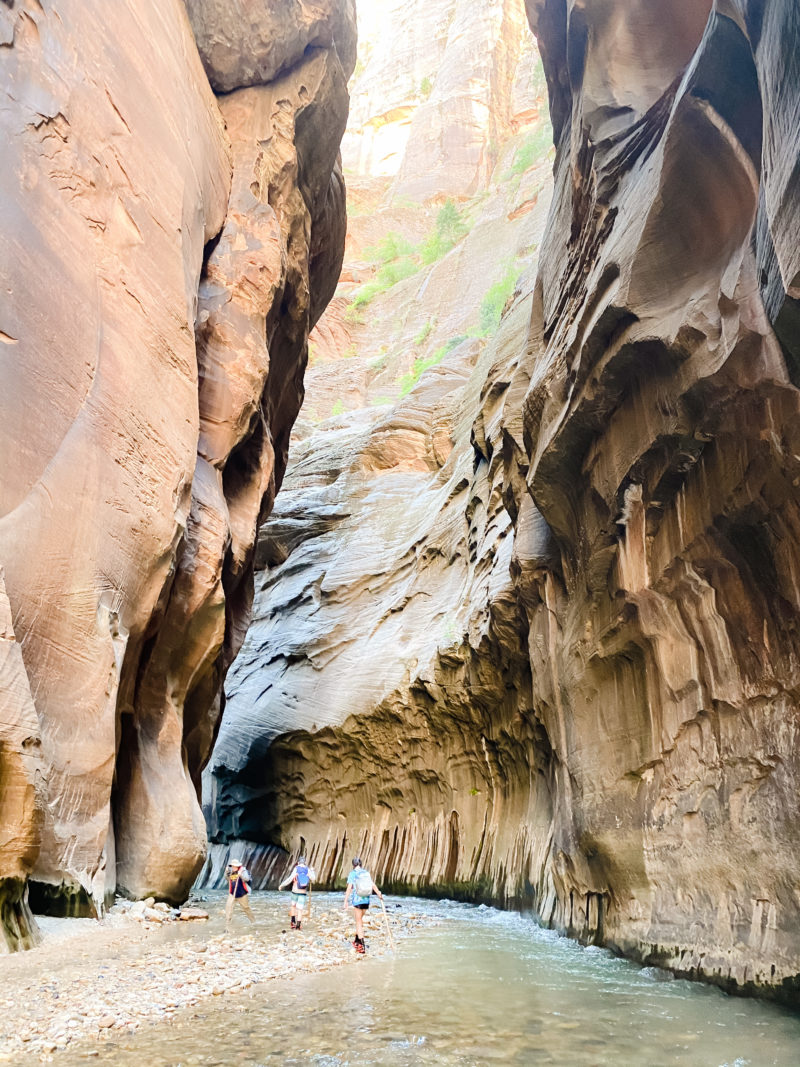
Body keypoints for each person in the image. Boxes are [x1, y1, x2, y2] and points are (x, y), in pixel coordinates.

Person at [344, 857, 383, 954]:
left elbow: (349, 888)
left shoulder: (353, 874)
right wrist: (378, 893)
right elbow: (372, 884)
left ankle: (361, 945)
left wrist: (345, 900)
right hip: (366, 900)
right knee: (360, 920)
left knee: (358, 922)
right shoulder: (366, 873)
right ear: (361, 864)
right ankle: (356, 941)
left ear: (353, 865)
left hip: (357, 901)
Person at [278, 855, 315, 930]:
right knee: (300, 910)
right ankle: (298, 925)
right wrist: (312, 871)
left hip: (295, 891)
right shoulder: (307, 869)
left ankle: (292, 922)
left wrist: (282, 885)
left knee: (293, 906)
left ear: (298, 862)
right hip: (303, 892)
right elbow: (313, 879)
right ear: (304, 863)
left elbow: (290, 879)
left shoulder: (296, 868)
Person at [224, 859, 255, 931]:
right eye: (232, 866)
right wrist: (226, 872)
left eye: (234, 866)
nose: (233, 867)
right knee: (228, 907)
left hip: (242, 894)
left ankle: (253, 922)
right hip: (232, 893)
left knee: (246, 908)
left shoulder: (243, 871)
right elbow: (227, 879)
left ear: (237, 866)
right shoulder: (230, 871)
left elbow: (247, 879)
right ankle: (227, 925)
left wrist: (240, 875)